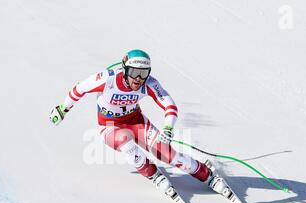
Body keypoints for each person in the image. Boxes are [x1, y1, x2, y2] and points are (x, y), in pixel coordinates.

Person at [50, 49, 227, 195]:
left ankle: (207, 176)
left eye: (143, 74)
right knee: (126, 144)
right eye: (134, 73)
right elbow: (79, 89)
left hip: (135, 121)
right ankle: (153, 174)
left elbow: (169, 105)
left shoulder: (148, 84)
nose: (138, 79)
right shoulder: (108, 79)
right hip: (110, 126)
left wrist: (168, 127)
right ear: (125, 69)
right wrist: (62, 109)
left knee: (167, 154)